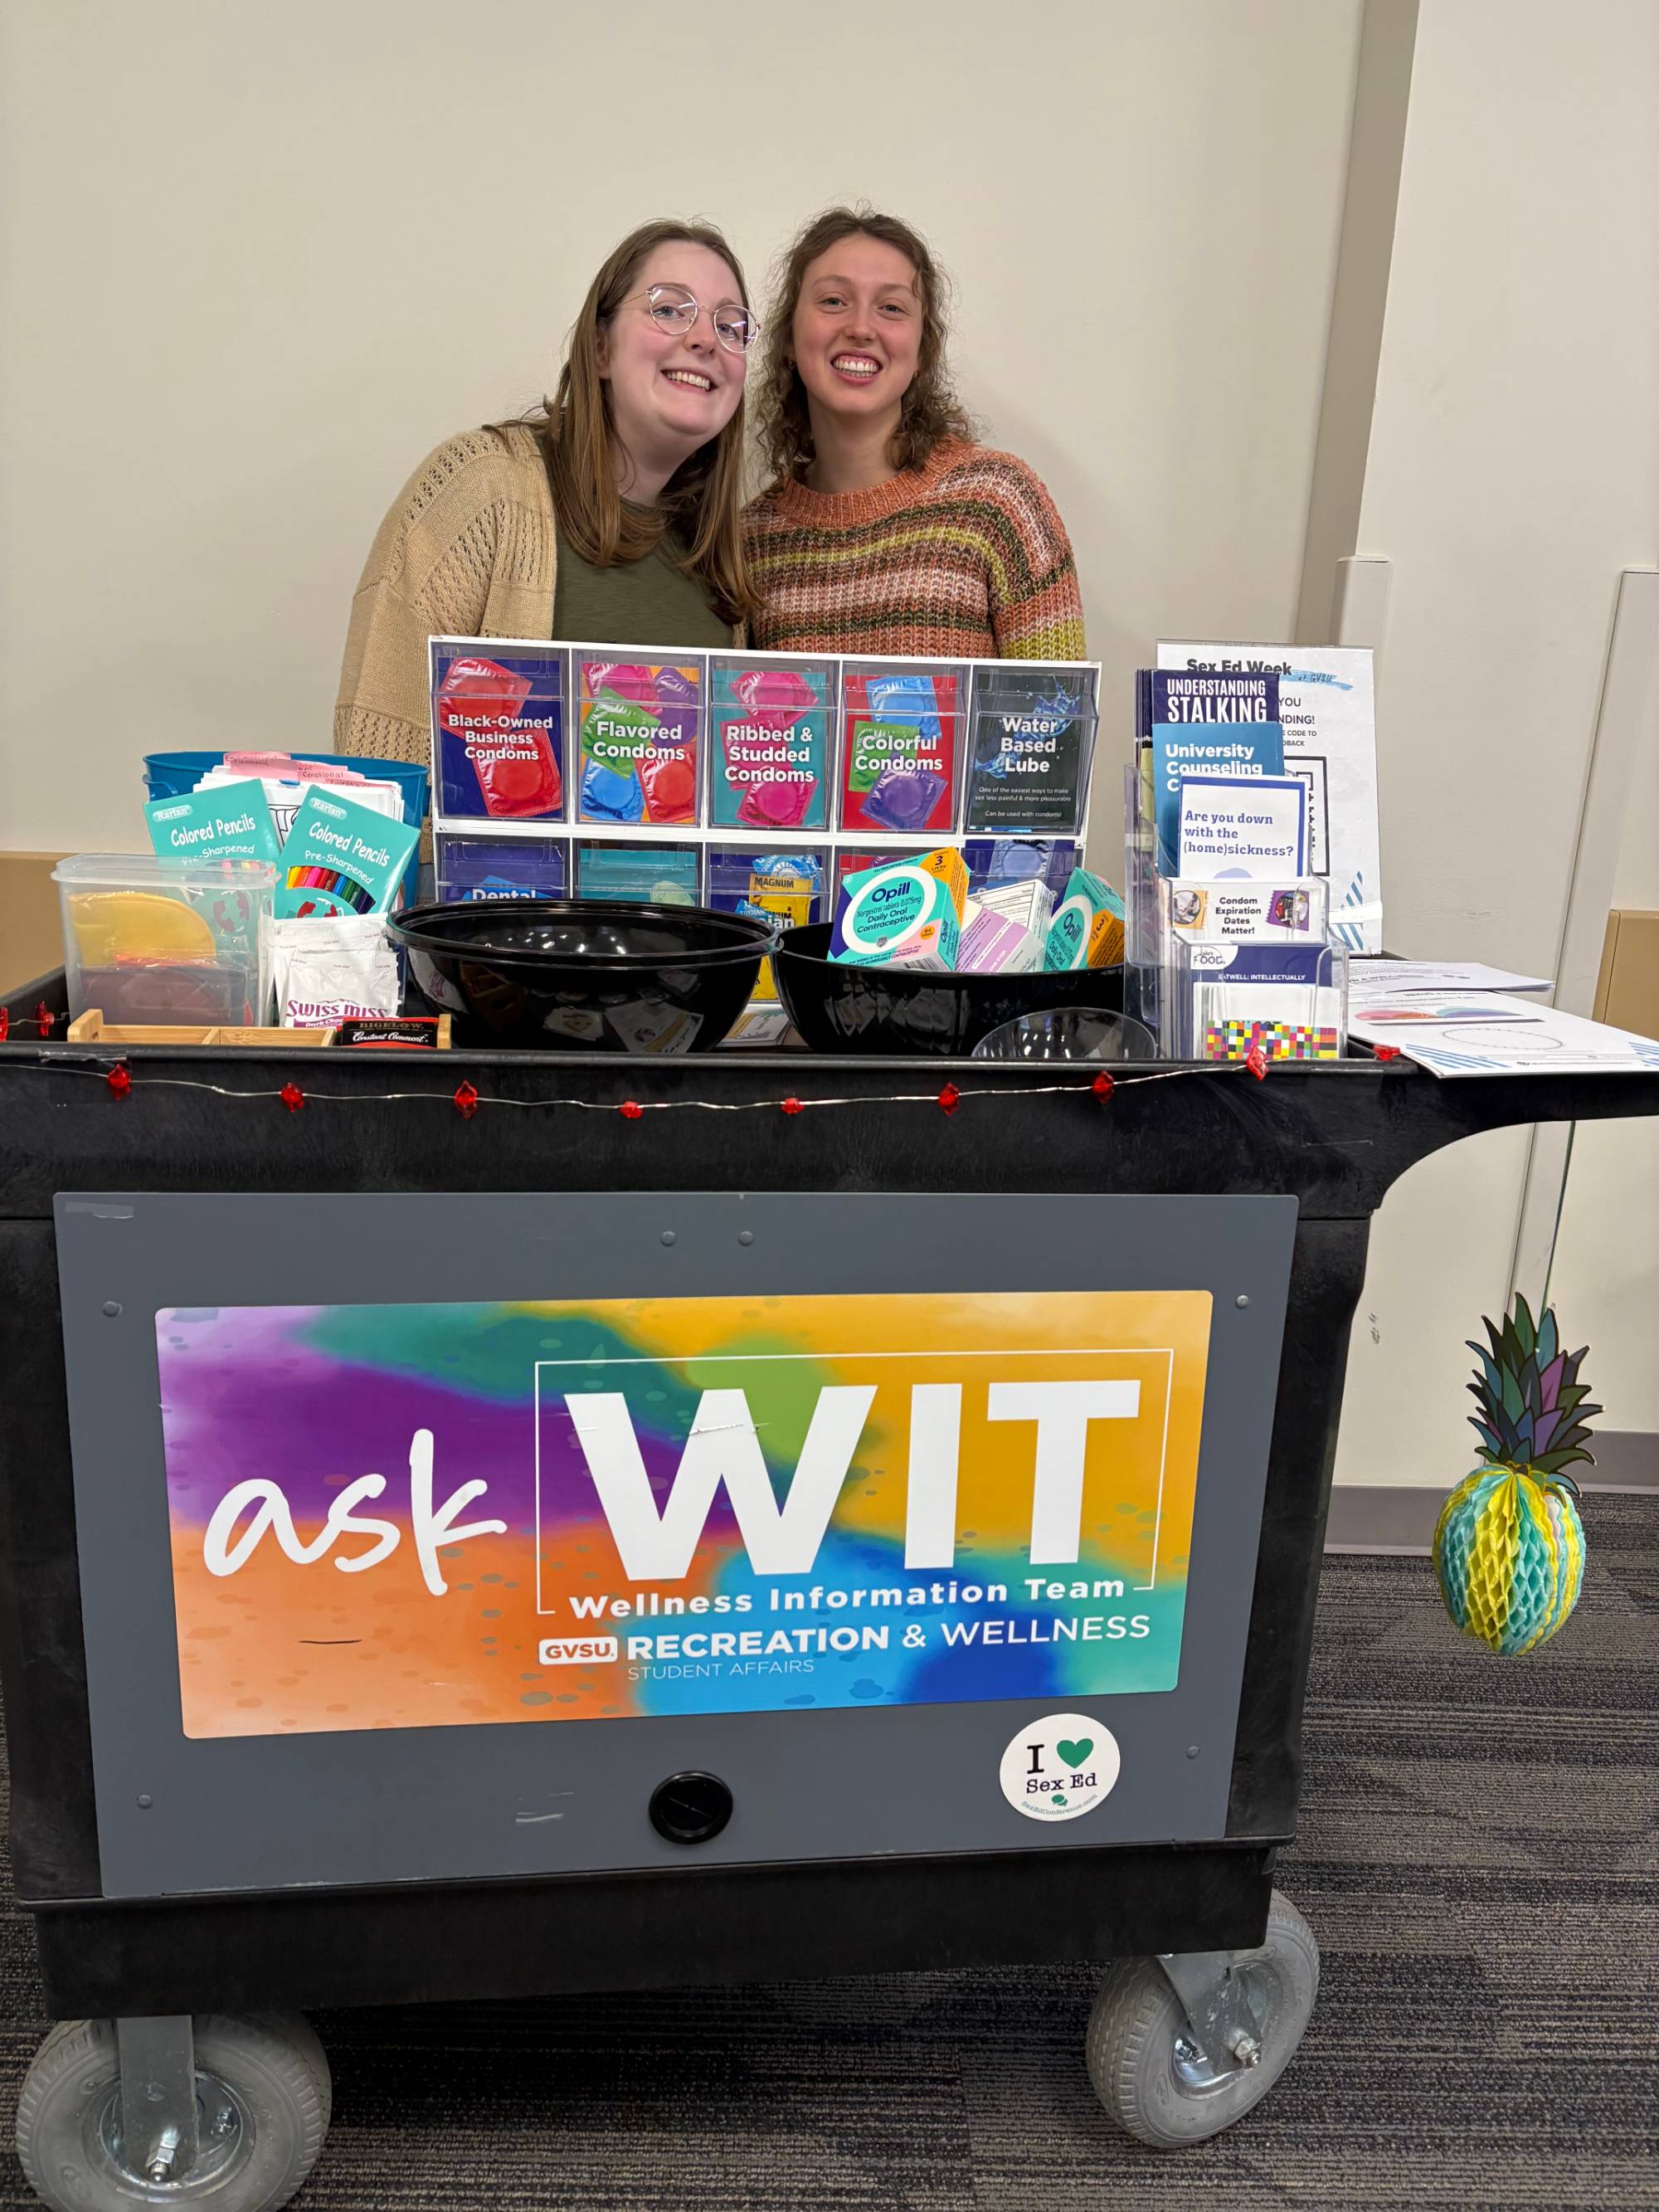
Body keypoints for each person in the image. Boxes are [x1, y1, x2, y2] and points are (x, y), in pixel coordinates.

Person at [335, 219, 758, 765]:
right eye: (669, 308)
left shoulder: (721, 560)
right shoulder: (482, 491)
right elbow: (378, 756)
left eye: (730, 325)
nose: (704, 339)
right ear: (600, 349)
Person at [744, 207, 1085, 661]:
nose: (861, 328)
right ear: (788, 337)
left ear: (922, 350)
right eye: (832, 301)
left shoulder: (1000, 503)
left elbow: (1055, 723)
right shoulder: (748, 543)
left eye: (891, 308)